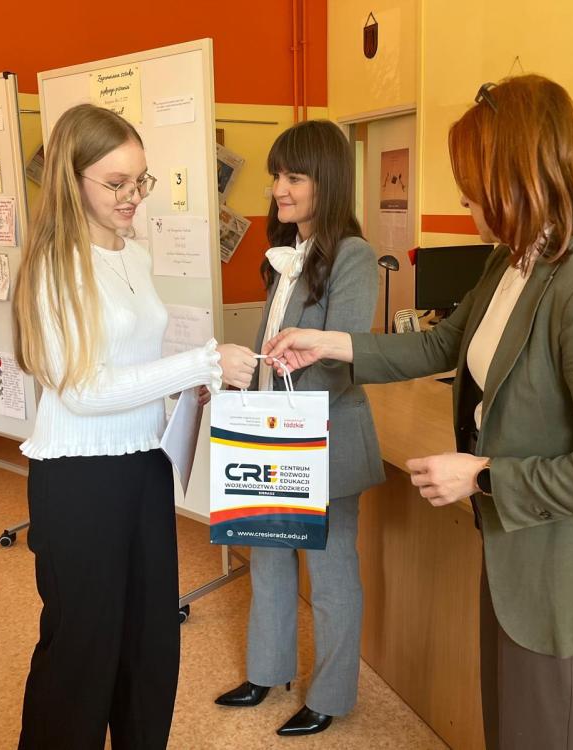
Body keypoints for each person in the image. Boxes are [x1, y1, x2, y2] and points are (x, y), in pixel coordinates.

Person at [264, 75, 573, 750]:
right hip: (513, 551)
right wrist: (327, 343)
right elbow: (440, 344)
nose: (463, 198)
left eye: (472, 182)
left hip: (562, 571)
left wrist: (482, 475)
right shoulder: (512, 262)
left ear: (519, 176)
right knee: (511, 728)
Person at [12, 103, 257, 750]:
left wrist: (189, 385)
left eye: (140, 180)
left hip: (144, 464)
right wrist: (201, 362)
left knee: (150, 641)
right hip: (78, 479)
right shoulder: (53, 266)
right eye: (115, 183)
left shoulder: (136, 256)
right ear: (72, 181)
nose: (133, 196)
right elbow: (83, 390)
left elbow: (135, 363)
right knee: (82, 650)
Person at [214, 119, 385, 737]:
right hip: (272, 433)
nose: (278, 189)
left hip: (324, 440)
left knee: (331, 575)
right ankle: (267, 670)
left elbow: (344, 353)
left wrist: (287, 389)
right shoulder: (288, 253)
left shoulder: (353, 255)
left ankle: (330, 696)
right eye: (275, 177)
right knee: (267, 556)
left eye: (294, 177)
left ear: (326, 181)